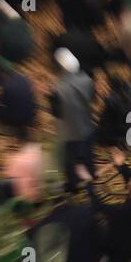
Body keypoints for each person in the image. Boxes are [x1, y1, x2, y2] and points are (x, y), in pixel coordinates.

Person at [51, 48, 96, 192]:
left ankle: (74, 185)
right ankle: (92, 175)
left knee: (70, 161)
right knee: (88, 153)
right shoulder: (88, 80)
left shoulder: (59, 89)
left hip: (71, 132)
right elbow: (92, 99)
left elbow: (57, 114)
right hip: (87, 125)